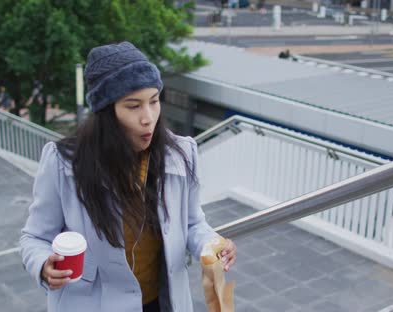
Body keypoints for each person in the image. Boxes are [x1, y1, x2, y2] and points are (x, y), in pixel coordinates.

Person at [20, 41, 237, 312]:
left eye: (154, 101)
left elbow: (193, 224)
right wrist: (43, 265)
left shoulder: (180, 153)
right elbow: (34, 238)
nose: (148, 118)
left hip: (163, 303)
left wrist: (213, 244)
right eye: (133, 106)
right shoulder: (65, 163)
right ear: (107, 112)